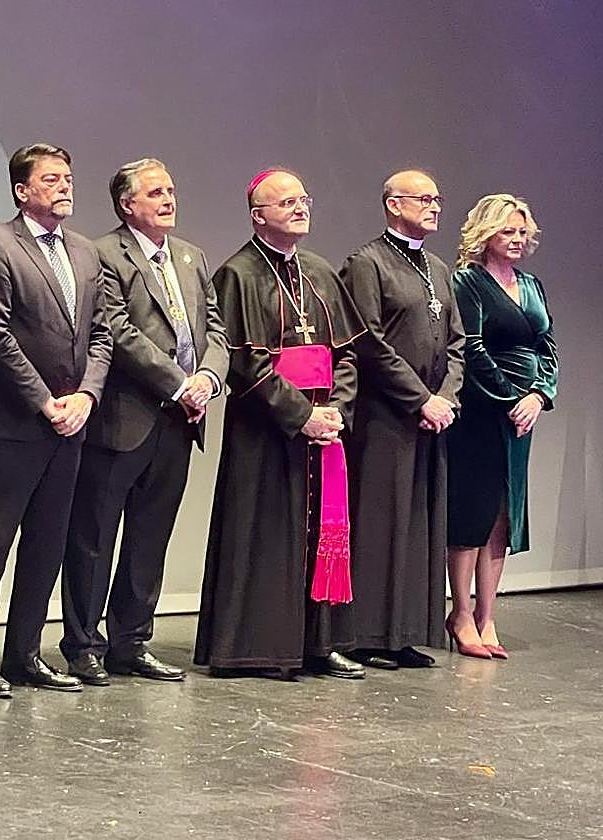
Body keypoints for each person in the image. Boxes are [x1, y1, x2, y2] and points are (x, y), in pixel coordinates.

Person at [59, 158, 228, 686]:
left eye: (171, 190)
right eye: (156, 193)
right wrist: (178, 385)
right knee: (94, 538)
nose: (169, 199)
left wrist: (207, 379)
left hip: (180, 422)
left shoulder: (191, 256)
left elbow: (216, 330)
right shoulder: (103, 253)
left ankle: (131, 642)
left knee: (150, 538)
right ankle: (83, 645)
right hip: (122, 420)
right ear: (127, 204)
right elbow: (118, 330)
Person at [193, 169, 366, 679]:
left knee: (320, 534)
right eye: (287, 202)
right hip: (265, 433)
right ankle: (259, 647)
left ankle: (320, 644)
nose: (300, 207)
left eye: (303, 199)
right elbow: (244, 362)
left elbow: (346, 355)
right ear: (257, 216)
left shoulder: (320, 271)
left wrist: (336, 411)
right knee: (265, 535)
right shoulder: (237, 274)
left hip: (323, 430)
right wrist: (302, 415)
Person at [0, 143, 112, 697]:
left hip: (72, 422)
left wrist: (87, 396)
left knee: (48, 542)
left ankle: (24, 654)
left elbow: (102, 333)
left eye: (67, 177)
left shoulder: (85, 252)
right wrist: (46, 402)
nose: (64, 186)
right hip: (14, 423)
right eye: (51, 179)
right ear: (22, 191)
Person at [337, 170, 465, 670]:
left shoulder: (438, 266)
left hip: (432, 418)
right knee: (380, 523)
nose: (435, 207)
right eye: (424, 199)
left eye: (437, 198)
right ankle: (366, 635)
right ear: (394, 204)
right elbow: (367, 343)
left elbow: (457, 342)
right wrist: (420, 399)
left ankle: (404, 632)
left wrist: (447, 398)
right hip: (385, 417)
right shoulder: (366, 263)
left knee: (419, 524)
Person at [445, 194, 557, 659]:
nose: (516, 239)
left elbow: (547, 347)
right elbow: (471, 348)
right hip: (482, 410)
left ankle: (488, 615)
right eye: (507, 231)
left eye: (522, 232)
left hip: (522, 415)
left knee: (504, 514)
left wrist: (538, 396)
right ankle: (461, 614)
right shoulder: (467, 281)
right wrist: (512, 398)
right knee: (473, 509)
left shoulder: (532, 285)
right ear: (486, 234)